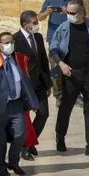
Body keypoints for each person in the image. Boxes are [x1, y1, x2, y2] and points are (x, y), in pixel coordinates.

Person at [49, 0, 89, 157]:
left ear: (81, 12)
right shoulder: (63, 28)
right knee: (65, 107)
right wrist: (61, 64)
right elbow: (53, 49)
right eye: (68, 12)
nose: (69, 15)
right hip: (70, 74)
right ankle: (60, 138)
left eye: (73, 13)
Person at [0, 32, 39, 176]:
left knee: (20, 134)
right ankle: (1, 166)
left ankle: (13, 161)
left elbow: (25, 81)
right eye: (6, 42)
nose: (9, 45)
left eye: (11, 42)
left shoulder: (19, 59)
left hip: (16, 104)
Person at [39, 0, 83, 106]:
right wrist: (47, 12)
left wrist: (68, 12)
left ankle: (75, 95)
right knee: (56, 69)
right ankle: (59, 95)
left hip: (73, 37)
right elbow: (39, 17)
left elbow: (82, 15)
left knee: (74, 67)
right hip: (55, 39)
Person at [14, 10, 51, 160]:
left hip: (39, 84)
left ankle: (29, 143)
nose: (37, 25)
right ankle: (24, 147)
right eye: (34, 23)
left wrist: (48, 83)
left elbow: (43, 60)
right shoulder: (15, 40)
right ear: (25, 24)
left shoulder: (38, 37)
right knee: (25, 119)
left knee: (43, 114)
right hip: (24, 86)